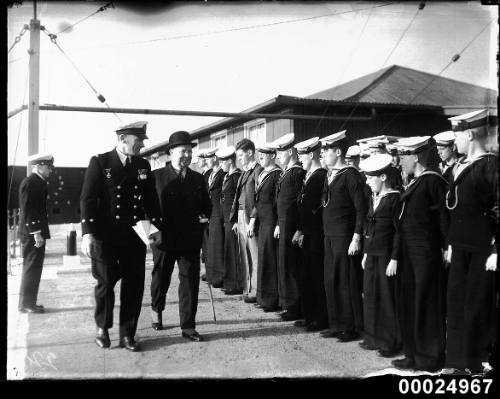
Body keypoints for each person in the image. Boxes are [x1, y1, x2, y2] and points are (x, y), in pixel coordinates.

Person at [80, 121, 163, 352]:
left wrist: (155, 227)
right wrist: (87, 234)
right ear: (123, 139)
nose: (141, 146)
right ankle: (102, 329)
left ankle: (128, 333)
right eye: (138, 142)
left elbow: (150, 199)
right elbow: (87, 199)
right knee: (105, 284)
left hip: (134, 236)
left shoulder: (142, 165)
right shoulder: (100, 162)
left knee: (134, 285)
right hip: (106, 237)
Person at [444, 109, 498, 375]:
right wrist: (452, 244)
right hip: (461, 246)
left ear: (469, 134)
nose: (455, 141)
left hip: (482, 249)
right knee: (456, 304)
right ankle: (456, 362)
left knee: (476, 306)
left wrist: (496, 249)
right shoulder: (461, 165)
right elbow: (456, 208)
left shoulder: (490, 165)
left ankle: (476, 362)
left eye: (457, 135)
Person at [392, 136, 449, 372]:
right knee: (411, 303)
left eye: (404, 156)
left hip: (426, 253)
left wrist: (448, 246)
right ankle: (413, 354)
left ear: (416, 157)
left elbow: (444, 218)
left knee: (426, 303)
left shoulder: (433, 182)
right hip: (410, 254)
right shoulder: (414, 182)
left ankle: (430, 357)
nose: (400, 161)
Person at [150, 131, 211, 342]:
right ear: (171, 153)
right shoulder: (156, 177)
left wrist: (204, 216)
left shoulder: (197, 178)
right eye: (182, 151)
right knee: (161, 278)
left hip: (189, 240)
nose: (187, 155)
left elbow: (206, 205)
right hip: (163, 241)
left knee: (189, 283)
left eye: (190, 151)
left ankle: (188, 326)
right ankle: (156, 311)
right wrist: (151, 232)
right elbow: (146, 208)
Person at [319, 130, 367, 342]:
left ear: (338, 152)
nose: (323, 155)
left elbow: (361, 208)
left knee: (346, 281)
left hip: (345, 236)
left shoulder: (350, 175)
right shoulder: (330, 175)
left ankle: (350, 327)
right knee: (331, 280)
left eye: (327, 151)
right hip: (329, 235)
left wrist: (356, 237)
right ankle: (336, 323)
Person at [359, 154, 402, 358]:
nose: (367, 183)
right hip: (372, 254)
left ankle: (390, 342)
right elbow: (369, 227)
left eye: (370, 178)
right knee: (370, 295)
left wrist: (394, 258)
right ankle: (372, 337)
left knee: (386, 297)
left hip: (386, 256)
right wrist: (366, 253)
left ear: (383, 177)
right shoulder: (373, 198)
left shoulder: (394, 199)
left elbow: (398, 232)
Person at [293, 137, 329, 332]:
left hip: (316, 235)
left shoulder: (320, 176)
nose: (301, 160)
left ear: (312, 154)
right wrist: (300, 230)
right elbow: (302, 207)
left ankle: (320, 318)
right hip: (306, 234)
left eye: (303, 156)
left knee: (316, 277)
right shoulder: (308, 176)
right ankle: (309, 315)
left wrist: (306, 231)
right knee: (306, 275)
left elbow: (317, 210)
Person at [273, 133, 307, 321]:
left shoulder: (296, 173)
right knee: (285, 264)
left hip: (292, 225)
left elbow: (298, 203)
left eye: (282, 152)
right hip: (284, 224)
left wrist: (299, 228)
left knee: (292, 266)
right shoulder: (288, 172)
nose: (278, 156)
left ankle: (294, 306)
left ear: (292, 152)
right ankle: (288, 304)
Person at [18, 153, 55, 314]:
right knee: (31, 268)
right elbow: (28, 210)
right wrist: (36, 233)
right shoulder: (30, 183)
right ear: (38, 166)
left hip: (35, 233)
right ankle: (27, 304)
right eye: (47, 167)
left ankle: (28, 302)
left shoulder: (38, 182)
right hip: (32, 234)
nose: (50, 171)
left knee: (34, 268)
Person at [249, 143, 282, 311]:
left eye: (264, 154)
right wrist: (253, 218)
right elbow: (257, 200)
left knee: (270, 259)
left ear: (273, 156)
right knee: (263, 258)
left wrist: (277, 223)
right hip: (262, 221)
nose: (260, 157)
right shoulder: (262, 173)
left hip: (271, 221)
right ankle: (262, 298)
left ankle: (271, 300)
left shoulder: (277, 174)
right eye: (259, 154)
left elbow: (278, 202)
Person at [230, 139, 263, 303]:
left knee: (254, 255)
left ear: (250, 153)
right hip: (241, 216)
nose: (239, 159)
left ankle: (256, 291)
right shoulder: (244, 172)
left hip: (251, 218)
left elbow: (260, 198)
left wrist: (252, 220)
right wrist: (236, 219)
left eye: (241, 155)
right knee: (244, 255)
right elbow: (238, 198)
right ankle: (248, 288)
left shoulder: (258, 170)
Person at [217, 146, 243, 295]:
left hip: (232, 220)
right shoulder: (228, 176)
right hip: (226, 219)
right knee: (229, 251)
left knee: (234, 252)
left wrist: (234, 220)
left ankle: (236, 284)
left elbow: (237, 200)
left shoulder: (236, 177)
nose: (221, 165)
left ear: (230, 161)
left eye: (222, 162)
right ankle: (230, 282)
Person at [205, 148, 226, 288]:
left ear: (215, 158)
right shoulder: (211, 174)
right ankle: (212, 276)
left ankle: (219, 277)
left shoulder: (222, 174)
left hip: (219, 213)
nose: (207, 160)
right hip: (211, 213)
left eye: (209, 157)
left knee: (218, 246)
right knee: (211, 246)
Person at [198, 149, 212, 279]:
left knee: (208, 244)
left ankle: (209, 270)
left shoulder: (208, 174)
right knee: (205, 244)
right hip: (202, 215)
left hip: (208, 213)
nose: (200, 161)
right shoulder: (203, 173)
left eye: (202, 158)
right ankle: (207, 269)